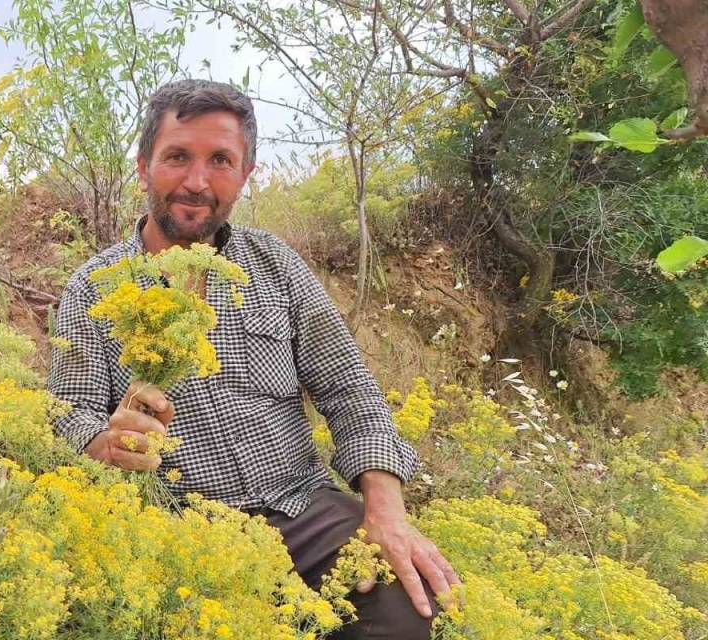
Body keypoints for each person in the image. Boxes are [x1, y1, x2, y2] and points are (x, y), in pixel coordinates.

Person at [47, 79, 461, 639]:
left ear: (246, 173)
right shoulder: (95, 286)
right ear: (144, 166)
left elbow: (349, 387)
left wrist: (385, 513)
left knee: (407, 614)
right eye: (177, 157)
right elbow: (69, 413)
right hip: (179, 530)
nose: (197, 182)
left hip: (302, 510)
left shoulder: (275, 264)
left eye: (221, 160)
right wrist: (106, 442)